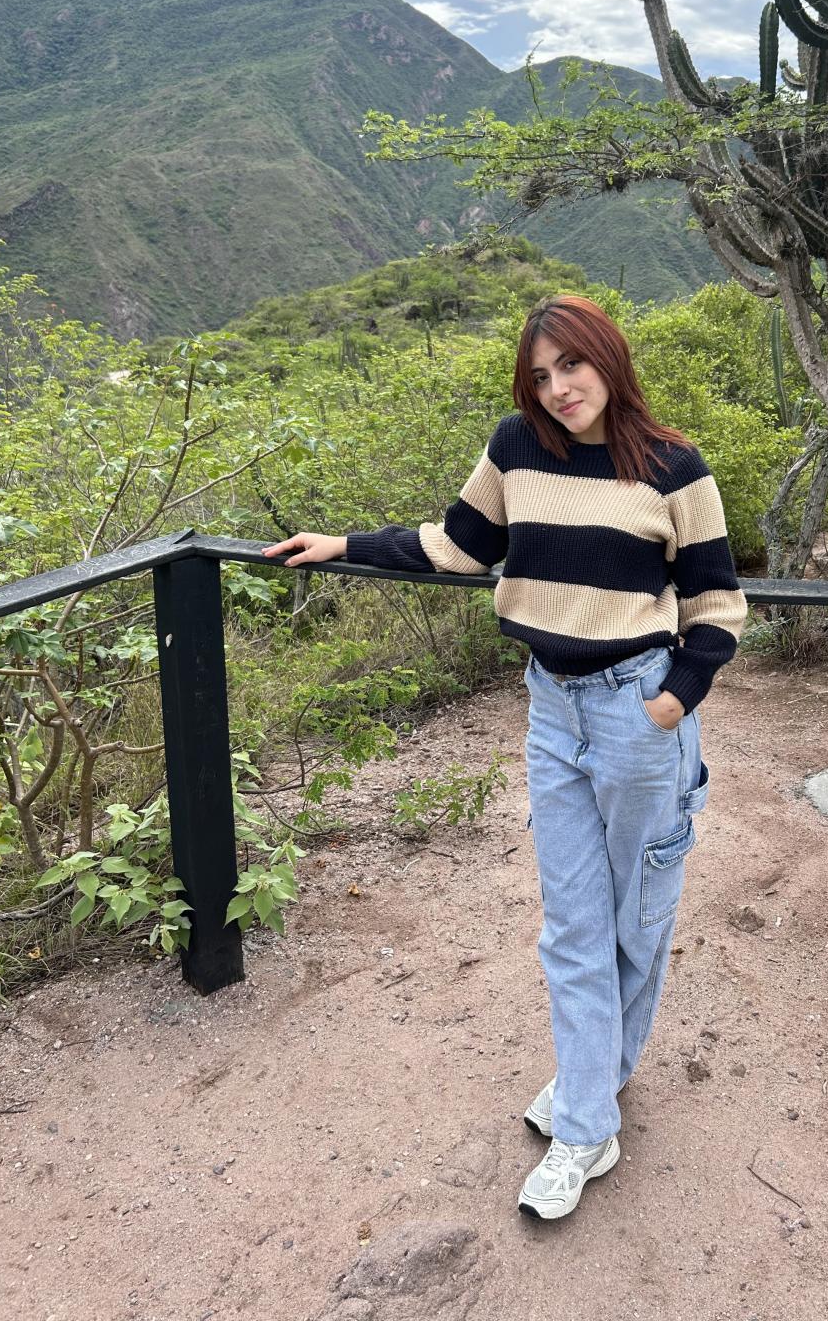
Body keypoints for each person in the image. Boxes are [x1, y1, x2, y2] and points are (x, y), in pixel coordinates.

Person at [262, 294, 748, 1221]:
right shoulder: (517, 447)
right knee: (571, 923)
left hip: (637, 713)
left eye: (572, 365)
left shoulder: (674, 468)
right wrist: (344, 544)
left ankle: (589, 1095)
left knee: (636, 918)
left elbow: (716, 603)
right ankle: (588, 1117)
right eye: (541, 376)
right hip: (551, 711)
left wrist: (674, 698)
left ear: (608, 358)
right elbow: (459, 545)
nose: (559, 388)